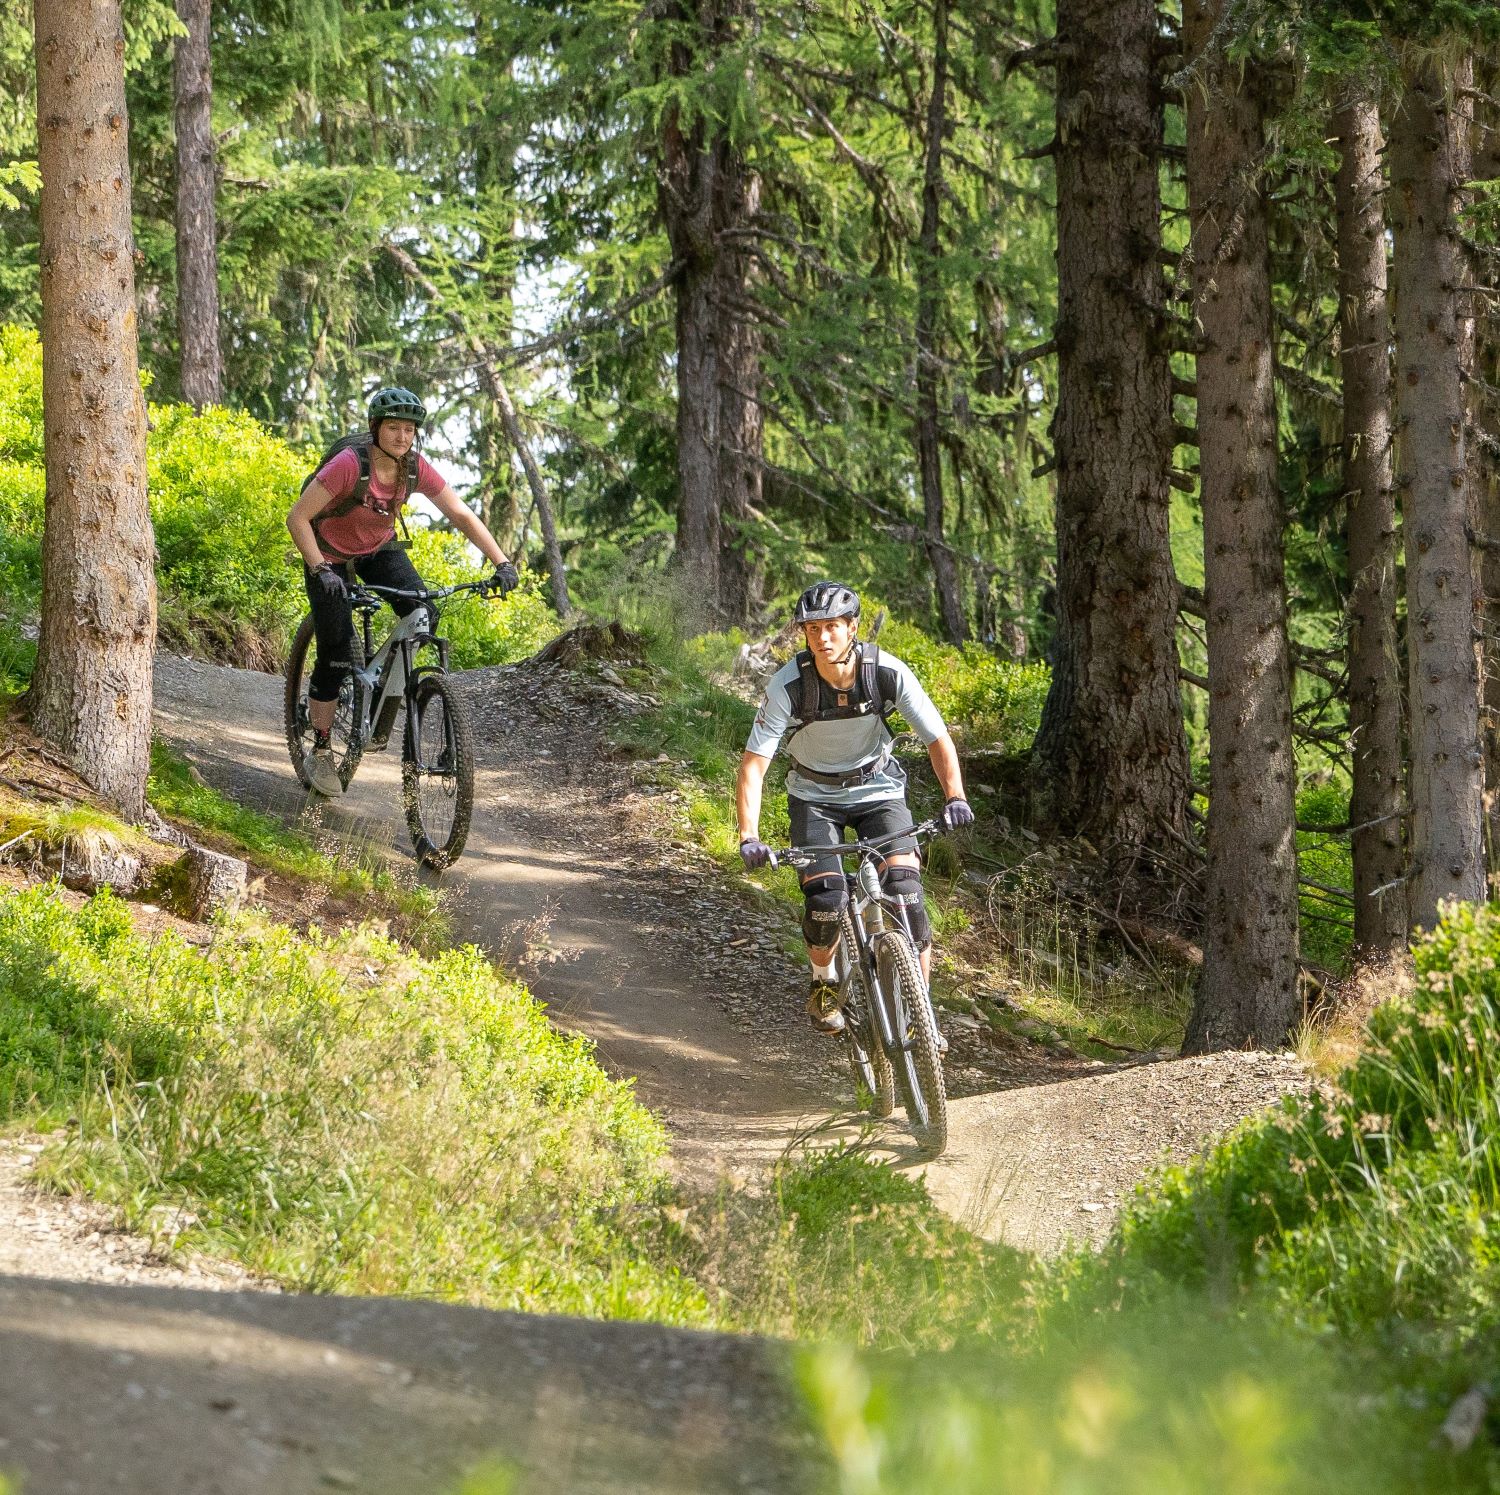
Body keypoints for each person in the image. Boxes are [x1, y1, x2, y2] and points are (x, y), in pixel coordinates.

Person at [735, 582, 974, 1034]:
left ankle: (918, 1016)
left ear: (852, 628)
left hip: (879, 791)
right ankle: (823, 980)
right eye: (811, 629)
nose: (821, 638)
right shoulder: (788, 685)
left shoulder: (885, 672)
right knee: (826, 899)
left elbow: (937, 739)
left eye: (831, 627)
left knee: (906, 892)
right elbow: (753, 766)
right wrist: (749, 835)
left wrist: (955, 797)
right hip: (814, 798)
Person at [286, 386, 519, 797]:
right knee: (336, 651)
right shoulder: (347, 465)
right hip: (326, 554)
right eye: (393, 427)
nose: (401, 437)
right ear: (376, 428)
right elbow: (298, 518)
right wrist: (320, 569)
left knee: (423, 612)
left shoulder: (414, 468)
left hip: (377, 549)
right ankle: (321, 746)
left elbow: (461, 513)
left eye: (409, 430)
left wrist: (501, 562)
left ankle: (380, 695)